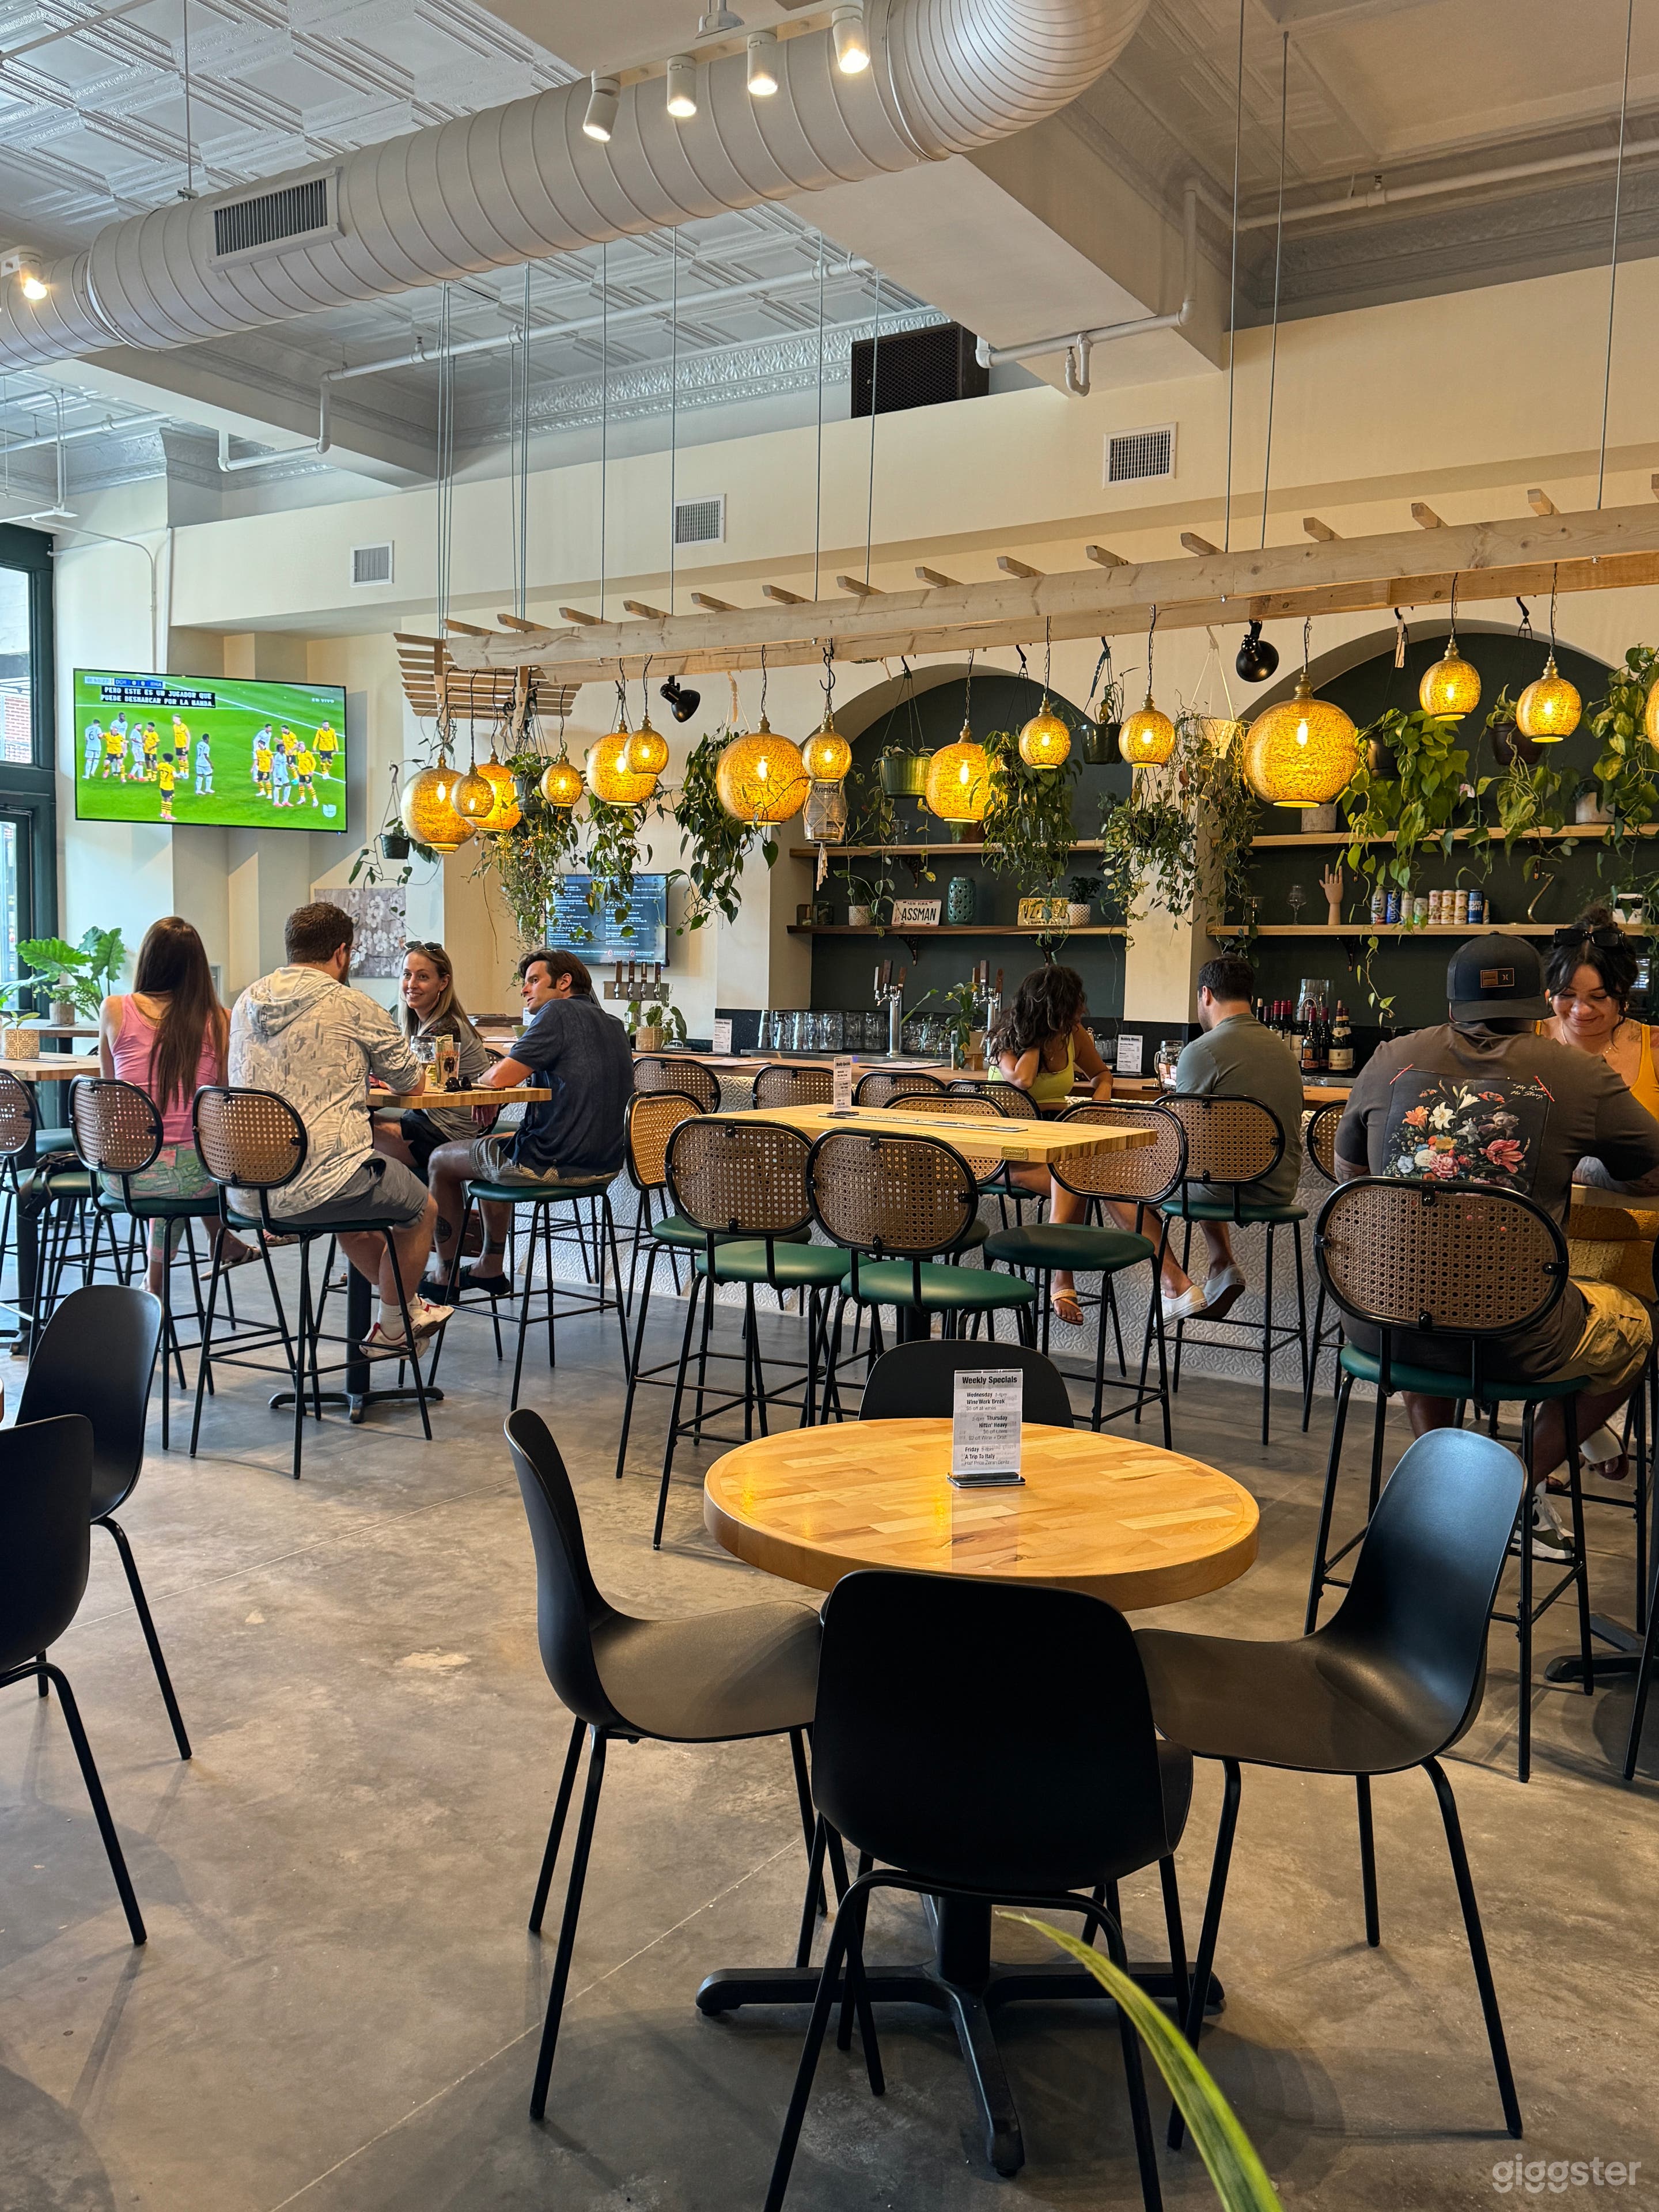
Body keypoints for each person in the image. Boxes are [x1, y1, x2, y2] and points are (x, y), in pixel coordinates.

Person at [1334, 931, 1659, 1553]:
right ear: (1542, 1002)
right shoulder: (1578, 1074)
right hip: (1516, 1336)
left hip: (1380, 1323)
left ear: (1452, 1005)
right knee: (1642, 1324)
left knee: (1427, 1286)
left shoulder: (1389, 1058)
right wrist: (1583, 1165)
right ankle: (1511, 1490)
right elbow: (1651, 1169)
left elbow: (1350, 1175)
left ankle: (1440, 1480)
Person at [229, 902, 451, 1357]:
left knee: (356, 1218)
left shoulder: (246, 1000)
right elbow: (412, 1081)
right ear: (343, 953)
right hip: (322, 1182)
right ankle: (394, 1326)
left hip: (249, 1188)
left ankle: (403, 1311)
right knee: (421, 1208)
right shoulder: (353, 1005)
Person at [427, 947, 634, 1300]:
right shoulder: (612, 1023)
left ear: (564, 982)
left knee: (440, 1160)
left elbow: (500, 1077)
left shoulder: (557, 1012)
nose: (525, 990)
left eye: (534, 981)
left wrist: (487, 1086)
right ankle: (489, 1267)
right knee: (501, 1140)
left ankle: (447, 1274)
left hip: (552, 1164)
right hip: (604, 1167)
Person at [93, 916, 255, 1294]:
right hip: (196, 1181)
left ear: (148, 960)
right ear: (197, 968)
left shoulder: (114, 1009)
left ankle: (157, 1284)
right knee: (182, 1172)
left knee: (166, 1167)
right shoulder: (220, 1020)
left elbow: (107, 1098)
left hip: (121, 1176)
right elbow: (220, 1109)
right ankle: (159, 1280)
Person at [990, 965, 1152, 1328]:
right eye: (1073, 1007)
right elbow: (1023, 1079)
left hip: (1053, 1144)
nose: (1080, 1013)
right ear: (1051, 1010)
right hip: (1006, 1154)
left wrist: (1098, 1104)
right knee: (1076, 1173)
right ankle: (1060, 1278)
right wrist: (1033, 1040)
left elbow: (1102, 1075)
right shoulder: (1006, 1041)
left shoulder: (1072, 1035)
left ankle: (1065, 1276)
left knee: (1084, 1172)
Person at [1158, 953, 1306, 1326]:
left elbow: (1181, 1139)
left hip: (1228, 1190)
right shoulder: (1284, 1052)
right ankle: (1222, 1263)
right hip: (1278, 1189)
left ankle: (1173, 1284)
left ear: (1205, 995)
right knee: (1211, 1163)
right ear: (1250, 997)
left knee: (1127, 1183)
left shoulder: (1202, 1051)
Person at [374, 941, 495, 1179]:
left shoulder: (445, 1029)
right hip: (425, 1121)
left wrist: (383, 1078)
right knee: (358, 1123)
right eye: (407, 975)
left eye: (422, 977)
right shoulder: (421, 1024)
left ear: (443, 982)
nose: (411, 984)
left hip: (448, 1133)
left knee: (354, 1131)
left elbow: (409, 1083)